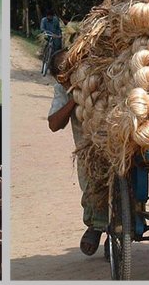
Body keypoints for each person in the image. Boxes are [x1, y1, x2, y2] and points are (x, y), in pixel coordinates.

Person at [47, 49, 108, 256]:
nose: (64, 83)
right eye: (62, 81)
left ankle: (120, 230)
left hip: (115, 140)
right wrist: (73, 99)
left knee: (129, 181)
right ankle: (96, 226)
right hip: (88, 148)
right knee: (92, 186)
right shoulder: (62, 89)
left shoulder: (100, 73)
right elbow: (54, 124)